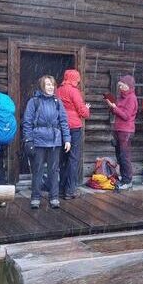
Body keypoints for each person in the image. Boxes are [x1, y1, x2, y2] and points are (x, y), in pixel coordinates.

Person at [22, 75, 71, 209]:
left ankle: (54, 197)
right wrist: (28, 140)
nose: (50, 87)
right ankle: (35, 198)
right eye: (47, 84)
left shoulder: (57, 102)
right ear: (42, 86)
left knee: (54, 171)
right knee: (37, 170)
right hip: (38, 141)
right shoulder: (34, 101)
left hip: (55, 141)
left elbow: (63, 121)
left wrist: (67, 139)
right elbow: (27, 122)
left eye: (52, 84)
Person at [56, 69, 90, 199]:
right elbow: (82, 112)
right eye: (77, 78)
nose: (78, 81)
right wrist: (87, 109)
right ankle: (70, 190)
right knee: (73, 159)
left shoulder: (58, 90)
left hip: (62, 127)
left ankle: (61, 189)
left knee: (63, 159)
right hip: (74, 127)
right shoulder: (74, 91)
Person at [105, 75, 137, 190]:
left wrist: (115, 108)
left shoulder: (132, 98)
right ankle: (123, 179)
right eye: (120, 85)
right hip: (118, 130)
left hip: (126, 131)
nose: (120, 87)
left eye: (122, 85)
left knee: (124, 156)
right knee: (119, 155)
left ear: (128, 86)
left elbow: (126, 116)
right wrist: (111, 106)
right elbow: (117, 111)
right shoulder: (121, 97)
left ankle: (128, 181)